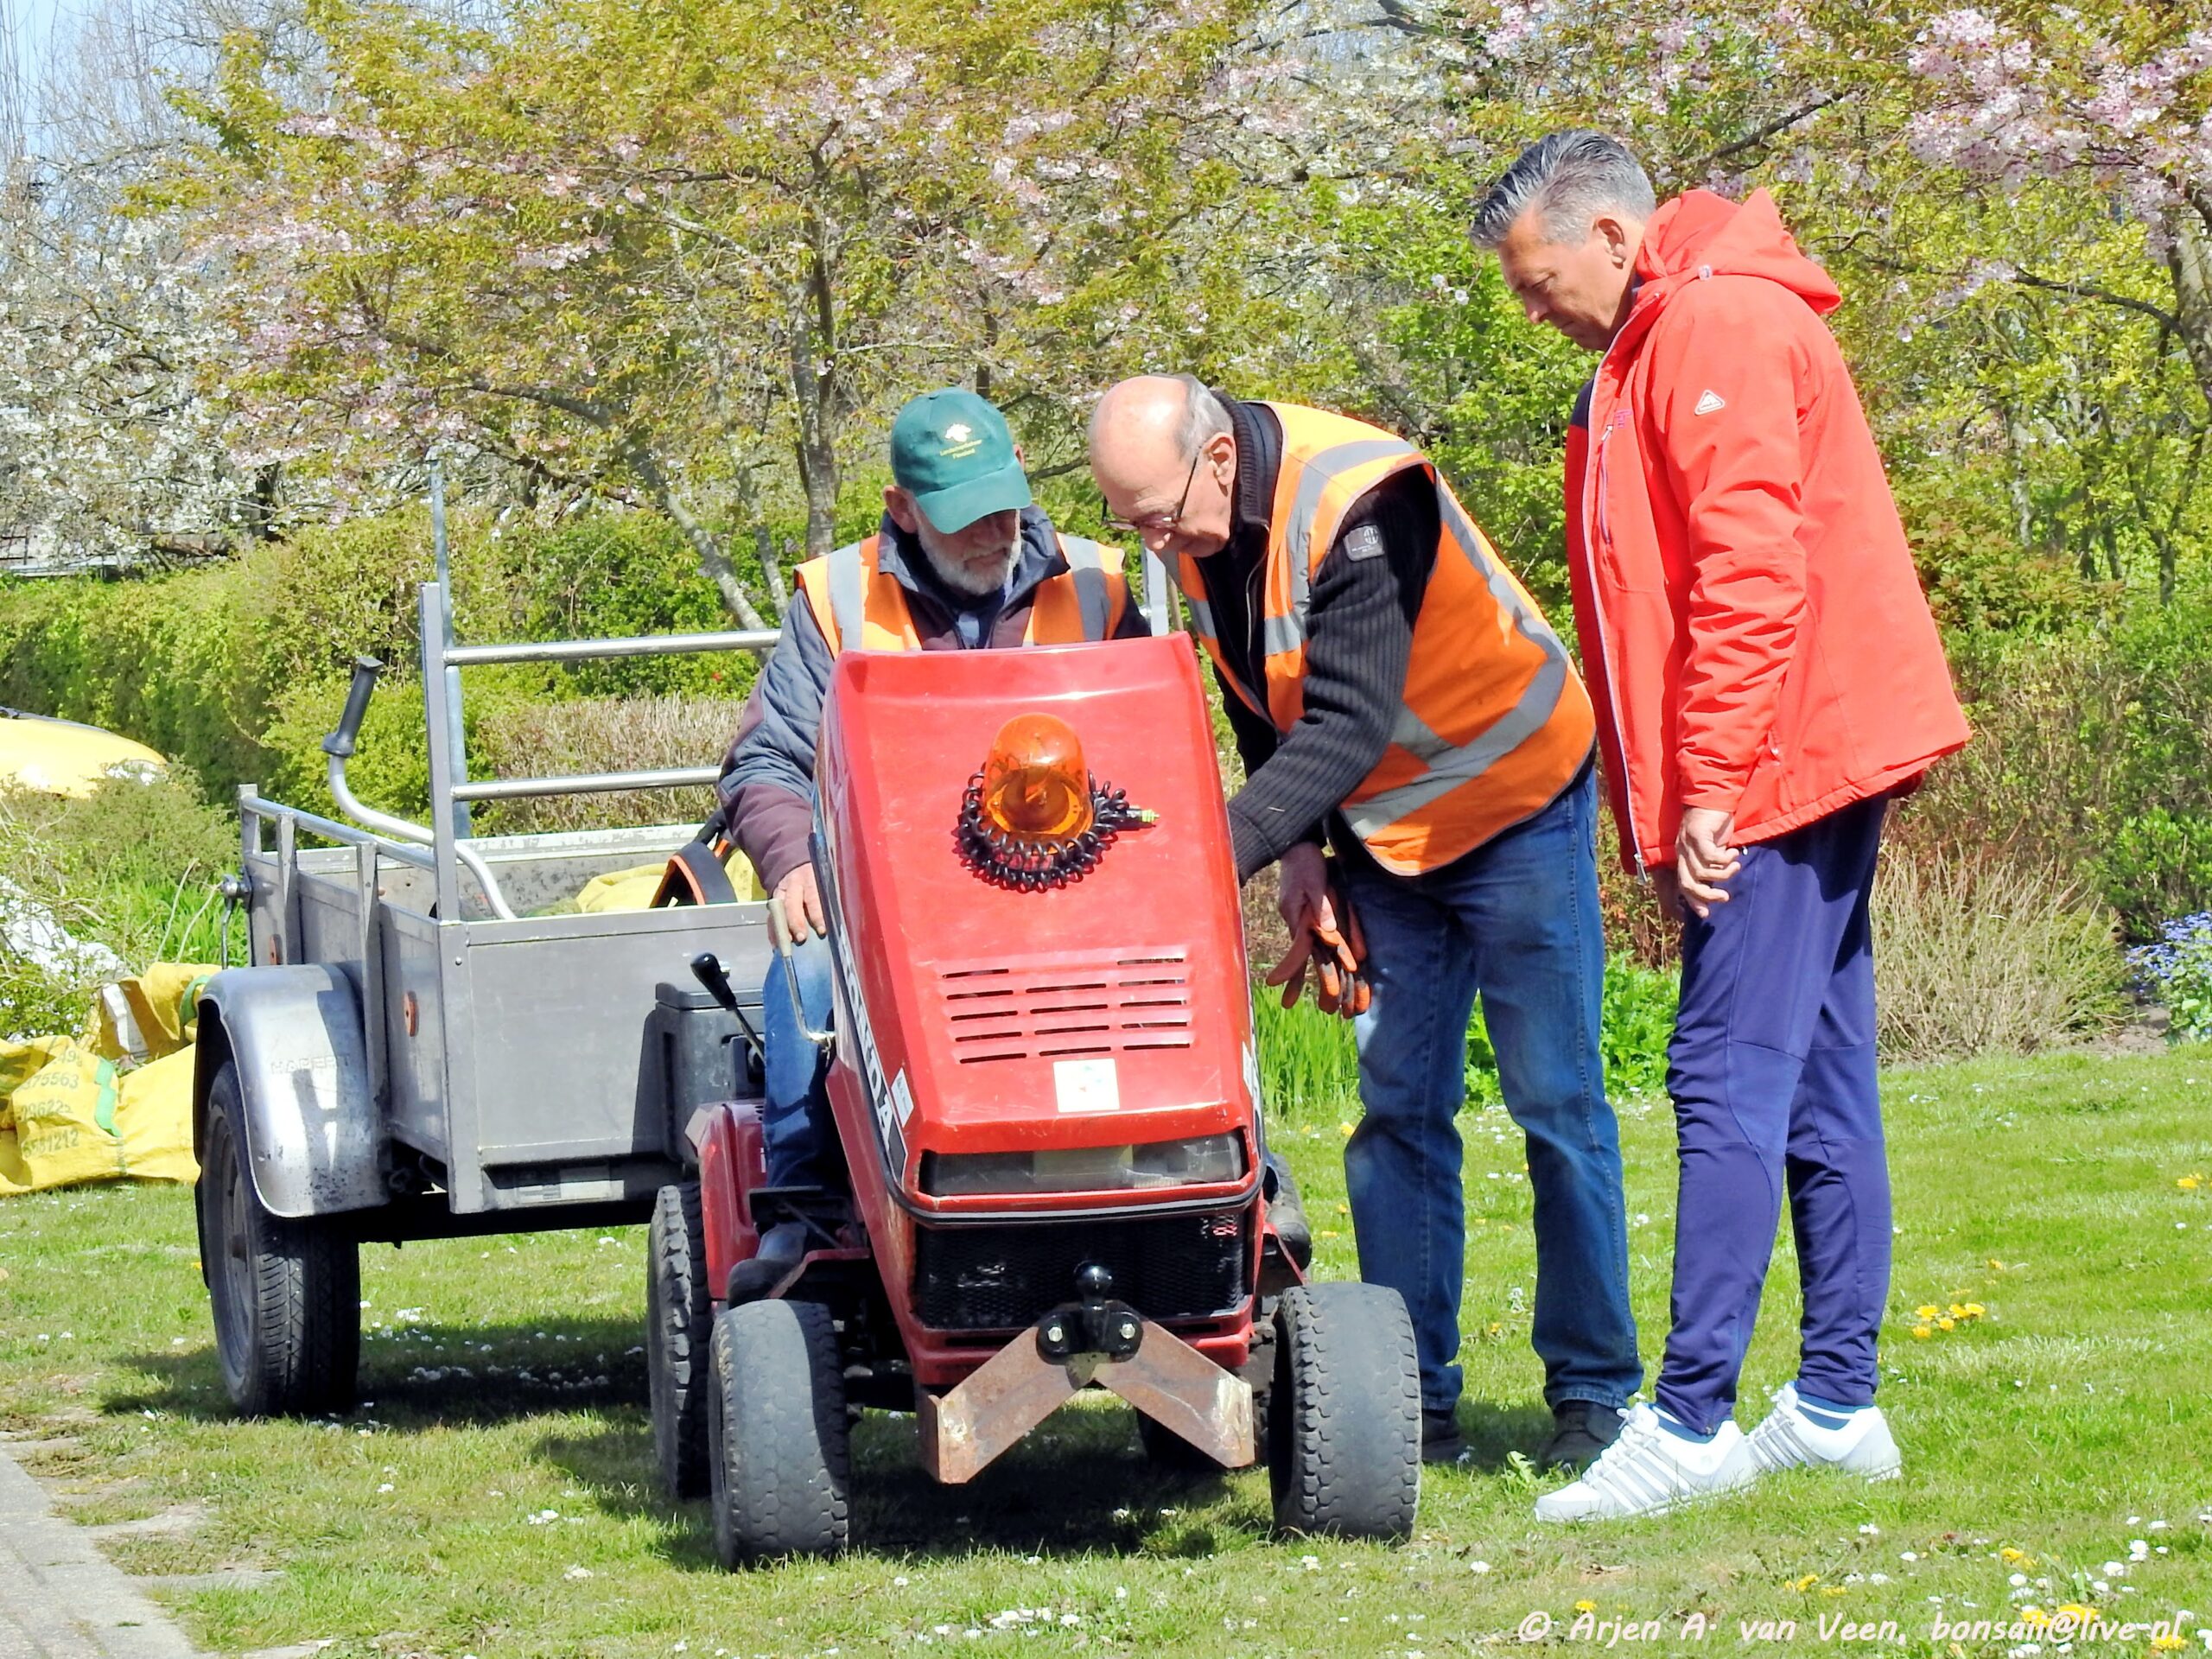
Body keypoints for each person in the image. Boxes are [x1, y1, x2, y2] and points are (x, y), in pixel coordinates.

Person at [1471, 131, 1970, 1520]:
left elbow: (1750, 576)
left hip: (1782, 761)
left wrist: (1709, 788)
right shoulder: (1669, 333)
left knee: (1722, 1072)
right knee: (1818, 1075)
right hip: (1798, 751)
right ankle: (1835, 1406)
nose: (1535, 313)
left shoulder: (1715, 325)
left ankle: (1690, 1424)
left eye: (1539, 284)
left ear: (1612, 237)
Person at [1090, 374, 1643, 1471]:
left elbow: (1345, 724)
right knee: (1398, 1116)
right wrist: (1301, 851)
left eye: (1156, 516)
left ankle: (1593, 1393)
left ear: (1216, 460)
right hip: (1386, 836)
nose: (1152, 544)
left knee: (1555, 1103)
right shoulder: (1199, 525)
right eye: (1130, 523)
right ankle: (1411, 1400)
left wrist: (1196, 866)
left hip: (1512, 801)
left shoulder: (1363, 496)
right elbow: (1259, 700)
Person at [719, 387, 1147, 1291]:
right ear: (902, 510)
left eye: (1004, 506)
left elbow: (1151, 750)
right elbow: (767, 761)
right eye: (964, 517)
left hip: (1075, 885)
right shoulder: (836, 601)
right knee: (805, 966)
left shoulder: (1099, 587)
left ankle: (1216, 1166)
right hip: (895, 900)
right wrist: (793, 863)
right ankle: (804, 1206)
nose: (993, 533)